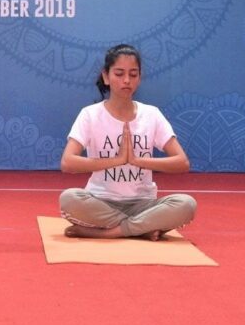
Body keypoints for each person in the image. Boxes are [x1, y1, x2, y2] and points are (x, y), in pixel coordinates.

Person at [59, 44, 196, 240]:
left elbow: (182, 163)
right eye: (119, 73)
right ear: (106, 76)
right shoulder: (90, 114)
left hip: (144, 204)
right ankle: (142, 229)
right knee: (69, 199)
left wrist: (137, 160)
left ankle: (112, 232)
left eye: (133, 74)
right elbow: (68, 163)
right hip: (101, 201)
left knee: (186, 204)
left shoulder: (152, 114)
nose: (126, 80)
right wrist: (118, 160)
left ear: (139, 77)